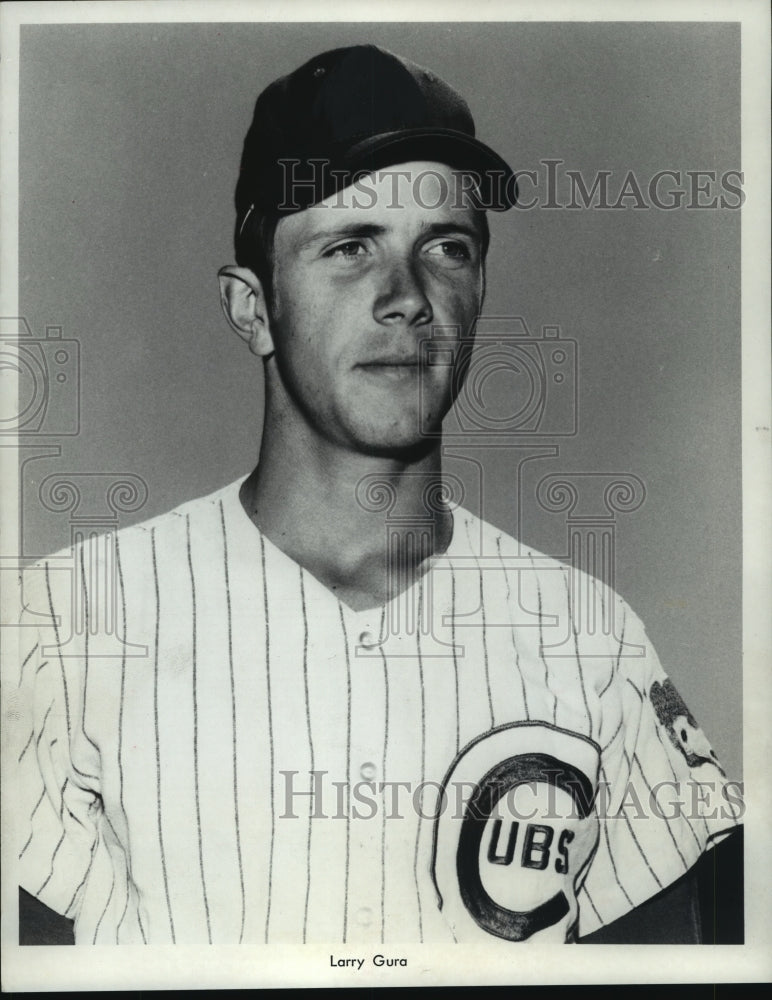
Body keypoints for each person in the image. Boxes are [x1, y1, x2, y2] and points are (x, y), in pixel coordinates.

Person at [14, 44, 742, 946]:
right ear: (252, 307)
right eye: (349, 247)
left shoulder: (591, 636)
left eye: (446, 247)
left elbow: (702, 968)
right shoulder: (62, 624)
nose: (406, 297)